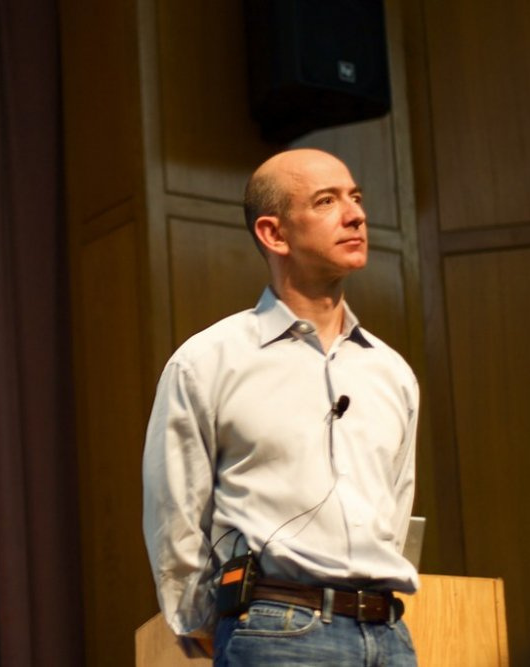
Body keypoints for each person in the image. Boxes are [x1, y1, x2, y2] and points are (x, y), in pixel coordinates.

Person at [142, 148, 420, 666]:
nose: (356, 215)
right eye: (327, 201)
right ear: (274, 234)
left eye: (356, 197)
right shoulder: (209, 361)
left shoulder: (391, 371)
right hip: (277, 629)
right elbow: (175, 513)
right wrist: (208, 619)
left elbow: (396, 513)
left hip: (389, 633)